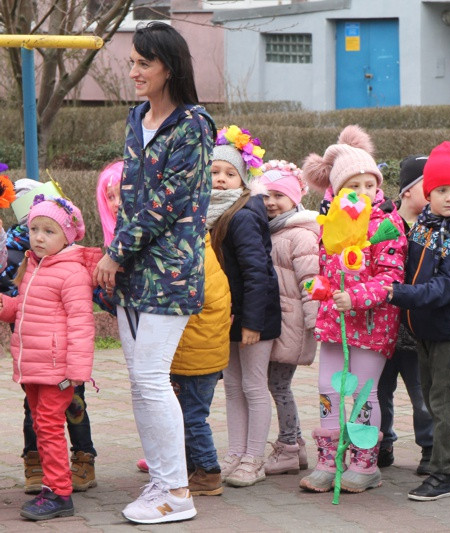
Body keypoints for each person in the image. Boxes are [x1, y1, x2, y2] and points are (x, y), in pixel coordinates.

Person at [92, 21, 214, 524]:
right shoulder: (136, 117)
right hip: (132, 273)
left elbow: (166, 204)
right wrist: (115, 259)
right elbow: (130, 198)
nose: (135, 70)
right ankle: (162, 481)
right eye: (132, 62)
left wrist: (114, 253)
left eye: (144, 62)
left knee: (151, 377)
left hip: (171, 273)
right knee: (141, 382)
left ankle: (177, 492)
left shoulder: (193, 125)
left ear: (170, 66)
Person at [299, 125, 407, 494]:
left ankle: (365, 460)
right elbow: (323, 267)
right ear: (335, 190)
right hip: (335, 322)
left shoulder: (387, 224)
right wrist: (319, 287)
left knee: (364, 392)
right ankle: (329, 460)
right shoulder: (329, 223)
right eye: (353, 186)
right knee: (328, 388)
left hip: (372, 323)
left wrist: (356, 297)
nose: (363, 192)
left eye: (369, 184)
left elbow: (390, 278)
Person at [385, 141, 450, 501]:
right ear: (426, 194)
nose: (449, 197)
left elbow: (444, 288)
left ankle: (445, 472)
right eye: (440, 190)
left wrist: (395, 293)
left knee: (442, 401)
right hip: (425, 328)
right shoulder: (423, 228)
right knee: (438, 395)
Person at [0, 197, 96, 520]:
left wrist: (78, 369)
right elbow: (20, 308)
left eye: (49, 231)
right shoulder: (34, 265)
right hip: (34, 366)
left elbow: (82, 322)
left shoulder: (72, 272)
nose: (39, 237)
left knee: (50, 426)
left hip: (57, 370)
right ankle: (52, 487)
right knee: (42, 425)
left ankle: (59, 493)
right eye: (34, 229)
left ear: (67, 236)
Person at [209, 125, 280, 488]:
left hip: (256, 315)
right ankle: (235, 452)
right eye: (215, 172)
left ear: (241, 178)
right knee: (233, 385)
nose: (220, 179)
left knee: (253, 385)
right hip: (228, 315)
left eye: (229, 173)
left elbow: (257, 273)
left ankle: (255, 458)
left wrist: (252, 322)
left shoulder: (243, 214)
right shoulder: (211, 213)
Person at [257, 160, 319, 475]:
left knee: (278, 384)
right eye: (265, 195)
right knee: (277, 384)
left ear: (295, 197)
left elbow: (311, 282)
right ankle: (297, 445)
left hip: (291, 324)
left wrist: (314, 323)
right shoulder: (272, 229)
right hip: (277, 321)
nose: (270, 202)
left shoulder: (300, 234)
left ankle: (288, 448)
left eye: (279, 195)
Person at [377, 154, 435, 475]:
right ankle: (382, 442)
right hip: (384, 326)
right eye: (429, 184)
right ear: (408, 191)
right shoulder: (385, 224)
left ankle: (429, 446)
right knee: (381, 390)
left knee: (422, 393)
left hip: (417, 329)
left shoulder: (435, 227)